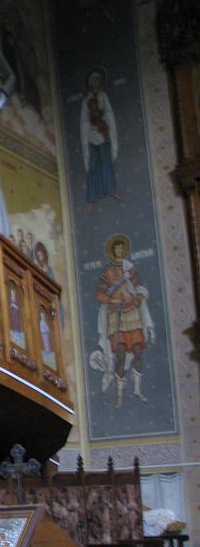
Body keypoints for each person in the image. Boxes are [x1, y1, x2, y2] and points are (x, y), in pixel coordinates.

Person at [93, 234, 154, 408]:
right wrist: (112, 300)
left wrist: (137, 299)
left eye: (121, 248)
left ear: (124, 250)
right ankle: (119, 395)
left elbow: (139, 287)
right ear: (113, 251)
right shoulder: (107, 272)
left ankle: (137, 390)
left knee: (137, 352)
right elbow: (100, 294)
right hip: (116, 316)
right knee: (119, 355)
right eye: (116, 248)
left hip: (131, 315)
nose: (119, 251)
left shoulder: (130, 268)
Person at [80, 67, 121, 211]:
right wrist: (90, 127)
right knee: (92, 167)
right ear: (89, 83)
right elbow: (84, 121)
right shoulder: (86, 101)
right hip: (91, 137)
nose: (95, 83)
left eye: (97, 80)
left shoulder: (103, 96)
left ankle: (111, 189)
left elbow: (109, 113)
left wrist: (103, 123)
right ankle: (91, 199)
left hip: (103, 134)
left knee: (106, 163)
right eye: (93, 80)